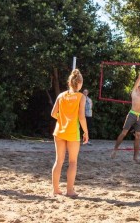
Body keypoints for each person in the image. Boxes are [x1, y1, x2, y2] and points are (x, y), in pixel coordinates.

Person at [51, 69, 89, 197]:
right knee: (73, 162)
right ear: (79, 83)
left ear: (69, 82)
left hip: (59, 131)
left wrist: (63, 119)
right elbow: (82, 117)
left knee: (58, 161)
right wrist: (86, 132)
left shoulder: (61, 95)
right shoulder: (81, 97)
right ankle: (70, 191)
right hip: (72, 132)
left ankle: (56, 190)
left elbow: (52, 113)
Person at [111, 62, 140, 162]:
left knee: (138, 136)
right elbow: (139, 78)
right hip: (132, 114)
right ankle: (115, 149)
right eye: (139, 85)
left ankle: (135, 157)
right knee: (124, 133)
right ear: (137, 86)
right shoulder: (134, 92)